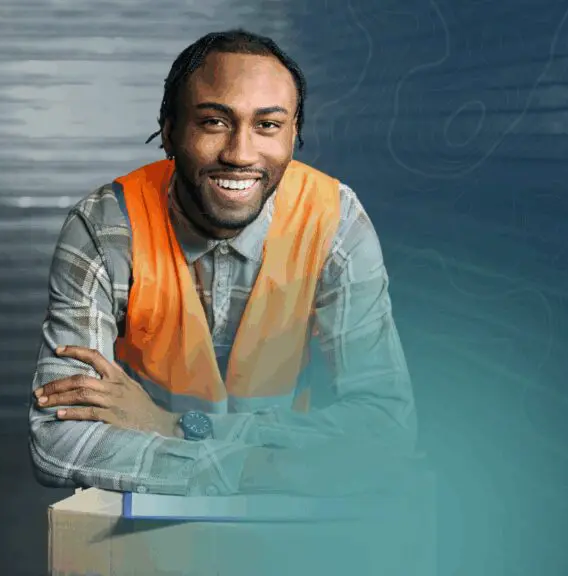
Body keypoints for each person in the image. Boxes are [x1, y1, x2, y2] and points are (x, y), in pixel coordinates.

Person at [28, 29, 418, 497]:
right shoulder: (107, 227)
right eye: (214, 122)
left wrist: (175, 427)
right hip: (172, 510)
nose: (240, 154)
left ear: (295, 135)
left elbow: (386, 427)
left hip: (288, 532)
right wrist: (259, 469)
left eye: (268, 126)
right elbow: (57, 440)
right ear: (169, 129)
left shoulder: (335, 224)